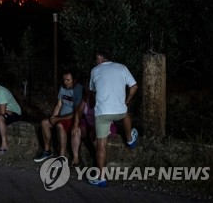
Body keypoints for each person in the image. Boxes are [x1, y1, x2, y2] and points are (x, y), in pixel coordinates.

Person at [87, 50, 138, 188]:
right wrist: (126, 100)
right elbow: (134, 86)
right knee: (125, 113)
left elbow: (92, 92)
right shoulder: (122, 67)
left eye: (97, 58)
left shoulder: (94, 70)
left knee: (101, 145)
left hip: (102, 113)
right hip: (119, 111)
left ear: (101, 57)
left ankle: (101, 178)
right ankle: (129, 139)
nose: (96, 61)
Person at [34, 70, 83, 162]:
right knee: (44, 123)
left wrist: (58, 119)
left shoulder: (78, 90)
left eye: (68, 80)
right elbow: (59, 104)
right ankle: (47, 150)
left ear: (74, 80)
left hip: (71, 118)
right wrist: (53, 117)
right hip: (60, 117)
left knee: (60, 125)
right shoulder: (63, 87)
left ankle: (61, 156)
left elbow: (77, 112)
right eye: (64, 80)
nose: (65, 82)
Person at [70, 90, 117, 166]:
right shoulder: (86, 97)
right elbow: (79, 111)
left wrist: (95, 129)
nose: (92, 95)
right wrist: (75, 125)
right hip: (89, 123)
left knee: (95, 138)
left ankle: (100, 165)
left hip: (103, 123)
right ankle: (76, 159)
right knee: (75, 130)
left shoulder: (103, 99)